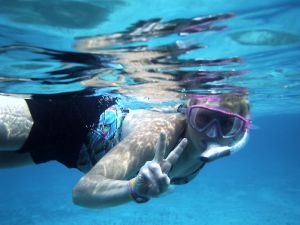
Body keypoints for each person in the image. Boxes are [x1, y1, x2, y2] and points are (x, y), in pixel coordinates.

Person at [0, 90, 250, 208]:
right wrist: (134, 189)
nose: (212, 134)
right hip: (65, 120)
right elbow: (83, 191)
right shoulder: (159, 133)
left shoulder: (207, 151)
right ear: (187, 113)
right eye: (203, 118)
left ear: (241, 131)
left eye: (228, 125)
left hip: (64, 152)